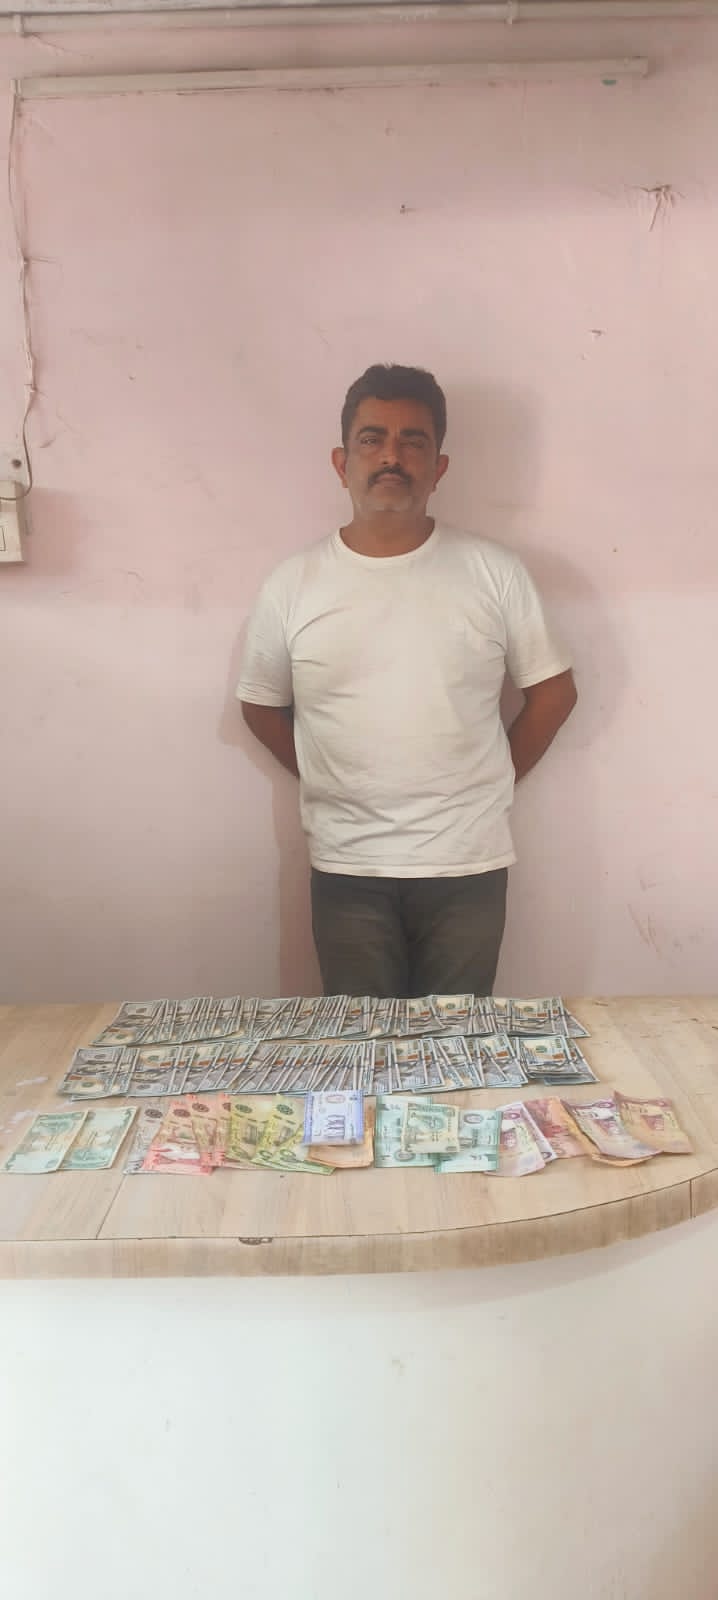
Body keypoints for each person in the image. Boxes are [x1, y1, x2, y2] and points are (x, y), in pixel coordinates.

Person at [237, 363, 577, 999]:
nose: (391, 456)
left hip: (467, 863)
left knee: (457, 1049)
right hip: (347, 864)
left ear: (439, 466)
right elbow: (260, 706)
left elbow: (554, 693)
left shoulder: (495, 572)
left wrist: (493, 778)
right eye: (372, 439)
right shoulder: (293, 584)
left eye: (412, 441)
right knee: (363, 1050)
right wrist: (330, 777)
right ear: (341, 462)